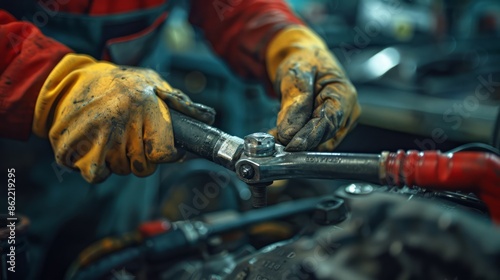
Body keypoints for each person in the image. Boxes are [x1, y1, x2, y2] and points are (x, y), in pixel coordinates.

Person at [0, 0, 360, 278]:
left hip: (133, 137)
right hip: (12, 163)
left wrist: (284, 38)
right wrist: (49, 82)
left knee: (112, 262)